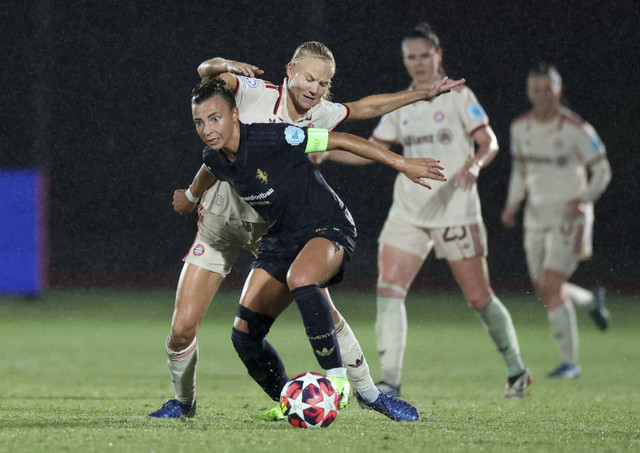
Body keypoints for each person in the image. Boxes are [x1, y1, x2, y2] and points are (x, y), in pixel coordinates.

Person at [149, 41, 464, 420]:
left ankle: (367, 393)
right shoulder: (251, 93)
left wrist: (421, 97)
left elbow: (366, 109)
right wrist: (191, 194)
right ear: (290, 71)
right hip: (220, 222)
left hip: (273, 226)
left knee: (315, 300)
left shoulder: (314, 118)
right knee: (183, 330)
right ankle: (186, 404)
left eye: (323, 82)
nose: (314, 88)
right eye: (309, 78)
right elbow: (207, 82)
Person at [325, 23, 532, 398]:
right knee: (389, 288)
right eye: (411, 57)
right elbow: (373, 148)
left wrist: (475, 165)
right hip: (409, 211)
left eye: (424, 55)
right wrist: (326, 150)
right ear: (405, 61)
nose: (418, 63)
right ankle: (390, 380)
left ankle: (517, 370)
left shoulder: (458, 95)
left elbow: (489, 142)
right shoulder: (403, 102)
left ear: (438, 55)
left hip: (456, 211)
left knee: (479, 297)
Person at [501, 62, 612, 379]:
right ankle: (591, 300)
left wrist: (585, 198)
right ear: (528, 93)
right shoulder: (520, 128)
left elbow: (603, 170)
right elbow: (519, 171)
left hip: (569, 218)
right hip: (535, 217)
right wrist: (513, 204)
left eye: (548, 88)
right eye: (536, 89)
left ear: (558, 91)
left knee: (550, 285)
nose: (542, 95)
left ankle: (570, 363)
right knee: (544, 288)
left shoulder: (577, 129)